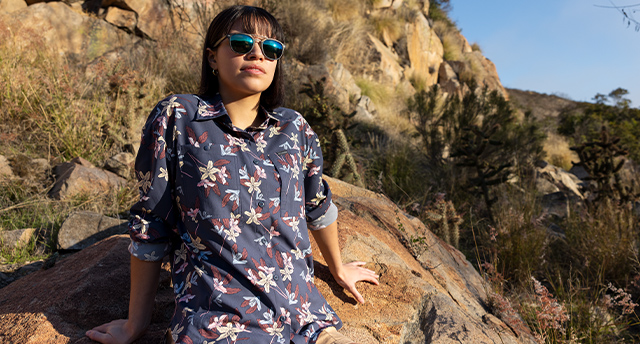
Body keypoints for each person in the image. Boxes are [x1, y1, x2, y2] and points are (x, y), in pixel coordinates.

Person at [85, 5, 379, 344]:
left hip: (308, 322)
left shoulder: (293, 128)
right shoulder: (179, 117)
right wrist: (136, 323)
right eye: (241, 42)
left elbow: (316, 204)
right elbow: (152, 222)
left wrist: (338, 267)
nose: (257, 53)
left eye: (271, 49)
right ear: (212, 57)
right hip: (223, 326)